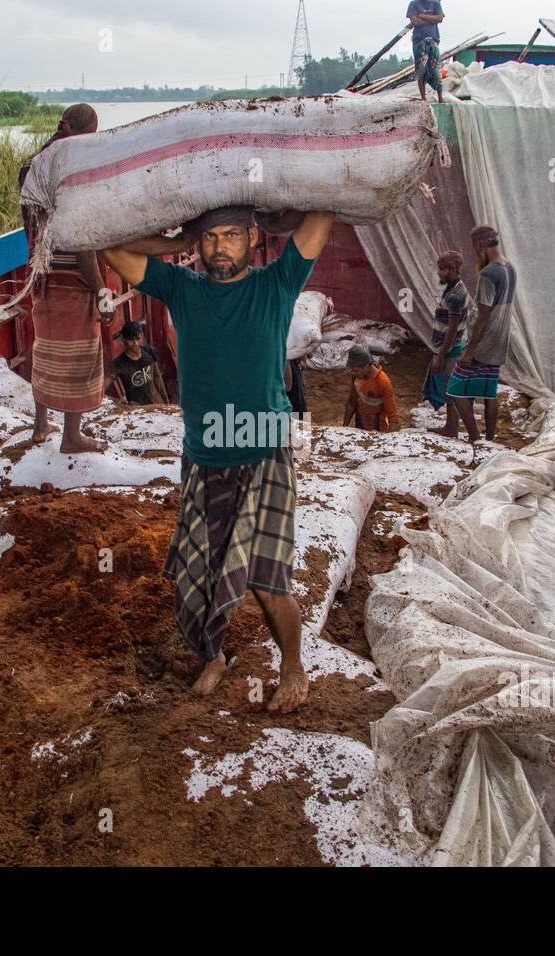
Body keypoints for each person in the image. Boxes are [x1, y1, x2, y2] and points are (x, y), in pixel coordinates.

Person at [102, 206, 337, 714]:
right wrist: (177, 239)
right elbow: (111, 249)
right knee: (204, 568)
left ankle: (293, 666)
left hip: (263, 452)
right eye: (209, 238)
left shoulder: (277, 283)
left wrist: (277, 221)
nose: (219, 248)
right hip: (203, 455)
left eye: (232, 236)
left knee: (264, 577)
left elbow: (321, 216)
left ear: (252, 238)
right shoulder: (181, 287)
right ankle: (213, 655)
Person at [19, 103, 114, 452]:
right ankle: (72, 437)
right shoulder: (72, 171)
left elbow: (35, 226)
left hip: (42, 275)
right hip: (74, 280)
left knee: (45, 349)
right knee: (81, 357)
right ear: (87, 133)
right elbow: (81, 244)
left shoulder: (33, 164)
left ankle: (40, 424)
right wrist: (102, 289)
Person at [448, 225, 515, 449]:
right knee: (489, 390)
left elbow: (483, 316)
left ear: (480, 245)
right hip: (500, 338)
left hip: (485, 340)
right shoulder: (509, 268)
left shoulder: (489, 274)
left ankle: (475, 438)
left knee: (456, 388)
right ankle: (490, 439)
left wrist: (469, 351)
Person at [423, 250, 471, 438]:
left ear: (452, 269)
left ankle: (459, 430)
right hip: (451, 348)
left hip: (450, 351)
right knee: (450, 392)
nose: (439, 273)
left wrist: (440, 357)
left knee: (452, 393)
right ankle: (451, 427)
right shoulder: (453, 288)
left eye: (442, 270)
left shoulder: (456, 294)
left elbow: (451, 329)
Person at [107, 321, 168, 405]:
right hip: (136, 411)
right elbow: (102, 388)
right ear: (124, 340)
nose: (135, 343)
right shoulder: (119, 363)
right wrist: (117, 401)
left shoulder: (149, 352)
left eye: (138, 339)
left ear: (141, 337)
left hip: (154, 406)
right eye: (131, 340)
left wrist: (166, 401)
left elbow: (157, 377)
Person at [344, 346, 400, 432]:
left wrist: (389, 441)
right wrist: (344, 427)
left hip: (377, 428)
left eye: (355, 370)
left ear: (366, 366)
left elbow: (393, 417)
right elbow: (352, 402)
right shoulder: (357, 377)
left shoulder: (383, 382)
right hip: (360, 423)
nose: (353, 373)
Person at [406, 1, 445, 103]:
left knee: (436, 69)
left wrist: (423, 16)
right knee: (420, 70)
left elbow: (440, 18)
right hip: (419, 41)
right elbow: (415, 22)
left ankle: (440, 98)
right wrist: (433, 19)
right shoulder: (413, 4)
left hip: (434, 39)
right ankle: (423, 98)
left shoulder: (435, 3)